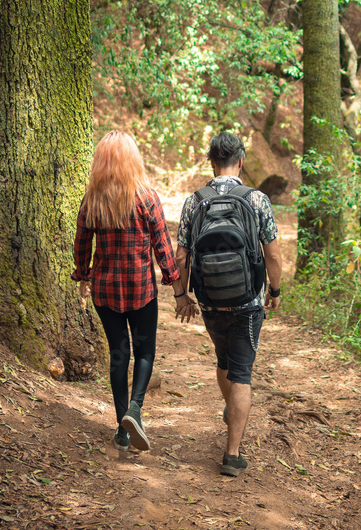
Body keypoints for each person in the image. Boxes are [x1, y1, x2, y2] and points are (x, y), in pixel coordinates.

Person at [73, 130, 197, 452]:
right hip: (141, 290)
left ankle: (122, 431)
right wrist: (176, 285)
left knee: (118, 354)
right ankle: (135, 409)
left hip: (106, 292)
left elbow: (82, 243)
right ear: (133, 159)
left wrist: (84, 275)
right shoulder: (146, 196)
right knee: (144, 352)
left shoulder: (93, 199)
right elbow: (163, 247)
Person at [175, 131, 282, 477]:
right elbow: (274, 255)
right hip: (248, 302)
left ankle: (231, 408)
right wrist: (275, 291)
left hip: (209, 302)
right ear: (242, 161)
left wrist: (181, 295)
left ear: (211, 162)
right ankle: (232, 454)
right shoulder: (256, 199)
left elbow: (181, 257)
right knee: (241, 374)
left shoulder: (195, 201)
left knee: (223, 361)